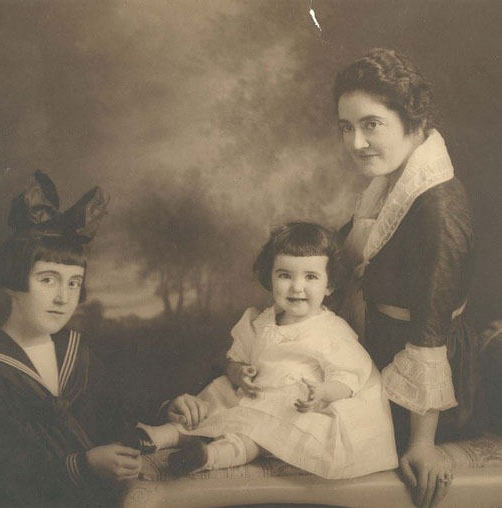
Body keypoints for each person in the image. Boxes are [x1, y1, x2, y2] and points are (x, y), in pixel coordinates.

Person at [0, 171, 207, 508]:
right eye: (48, 280)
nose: (64, 297)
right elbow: (1, 472)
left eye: (74, 283)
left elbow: (113, 408)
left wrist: (168, 409)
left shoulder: (74, 349)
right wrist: (85, 465)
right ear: (12, 283)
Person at [334, 48, 482, 508]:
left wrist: (422, 443)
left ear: (413, 124)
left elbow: (430, 331)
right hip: (379, 346)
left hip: (430, 390)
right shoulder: (393, 182)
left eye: (371, 124)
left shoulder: (437, 206)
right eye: (346, 127)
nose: (356, 142)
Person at [151, 222, 398, 479]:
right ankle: (156, 436)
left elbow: (348, 378)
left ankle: (207, 457)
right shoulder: (260, 320)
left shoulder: (332, 331)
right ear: (270, 277)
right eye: (285, 275)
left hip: (293, 407)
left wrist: (323, 392)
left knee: (253, 438)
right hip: (254, 396)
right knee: (210, 405)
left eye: (310, 277)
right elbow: (235, 358)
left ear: (329, 285)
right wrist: (239, 373)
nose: (297, 287)